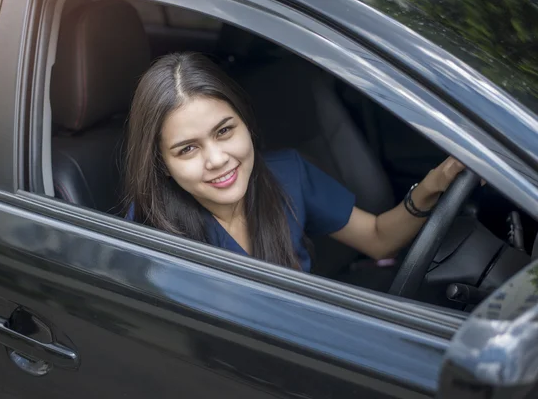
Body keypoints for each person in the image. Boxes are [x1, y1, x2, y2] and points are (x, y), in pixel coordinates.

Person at [124, 52, 466, 272]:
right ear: (162, 164)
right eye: (187, 149)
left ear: (246, 124)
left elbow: (378, 238)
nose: (217, 159)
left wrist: (434, 185)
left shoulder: (288, 173)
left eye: (225, 131)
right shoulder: (148, 229)